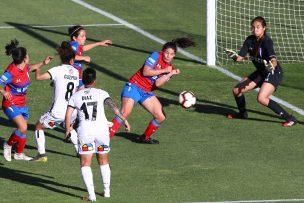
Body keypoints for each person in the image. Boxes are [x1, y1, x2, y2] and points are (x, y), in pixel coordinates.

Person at [109, 37, 195, 143]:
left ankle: (144, 138)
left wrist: (170, 73)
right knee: (124, 113)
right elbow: (145, 72)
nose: (168, 56)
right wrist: (163, 70)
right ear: (162, 52)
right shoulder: (155, 55)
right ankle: (105, 139)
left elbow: (158, 83)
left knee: (161, 116)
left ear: (174, 55)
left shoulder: (170, 69)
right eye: (166, 53)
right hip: (134, 86)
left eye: (171, 54)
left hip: (146, 92)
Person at [65, 68, 130, 201]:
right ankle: (107, 192)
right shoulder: (101, 93)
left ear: (83, 80)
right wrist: (125, 120)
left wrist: (67, 129)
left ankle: (92, 195)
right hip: (101, 131)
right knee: (103, 160)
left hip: (85, 132)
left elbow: (68, 114)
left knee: (85, 163)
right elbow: (114, 108)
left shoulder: (75, 96)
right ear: (94, 81)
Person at [225, 16, 297, 127]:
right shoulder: (249, 40)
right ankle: (242, 114)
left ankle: (290, 119)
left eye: (258, 27)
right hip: (261, 72)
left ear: (264, 28)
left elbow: (274, 60)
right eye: (253, 27)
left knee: (261, 98)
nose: (255, 29)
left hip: (273, 73)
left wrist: (271, 66)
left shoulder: (267, 42)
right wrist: (234, 56)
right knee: (236, 90)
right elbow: (240, 57)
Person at [1, 39, 52, 161]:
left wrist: (43, 63)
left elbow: (30, 68)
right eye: (27, 55)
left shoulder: (24, 66)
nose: (28, 56)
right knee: (23, 127)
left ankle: (19, 154)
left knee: (22, 131)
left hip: (22, 104)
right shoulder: (10, 72)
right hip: (10, 103)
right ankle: (8, 145)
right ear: (24, 58)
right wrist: (3, 91)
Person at [31, 41, 80, 162]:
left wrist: (37, 68)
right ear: (72, 60)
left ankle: (41, 154)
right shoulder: (75, 72)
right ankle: (80, 151)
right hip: (72, 111)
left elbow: (39, 77)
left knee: (38, 126)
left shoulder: (57, 70)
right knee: (70, 127)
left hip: (58, 111)